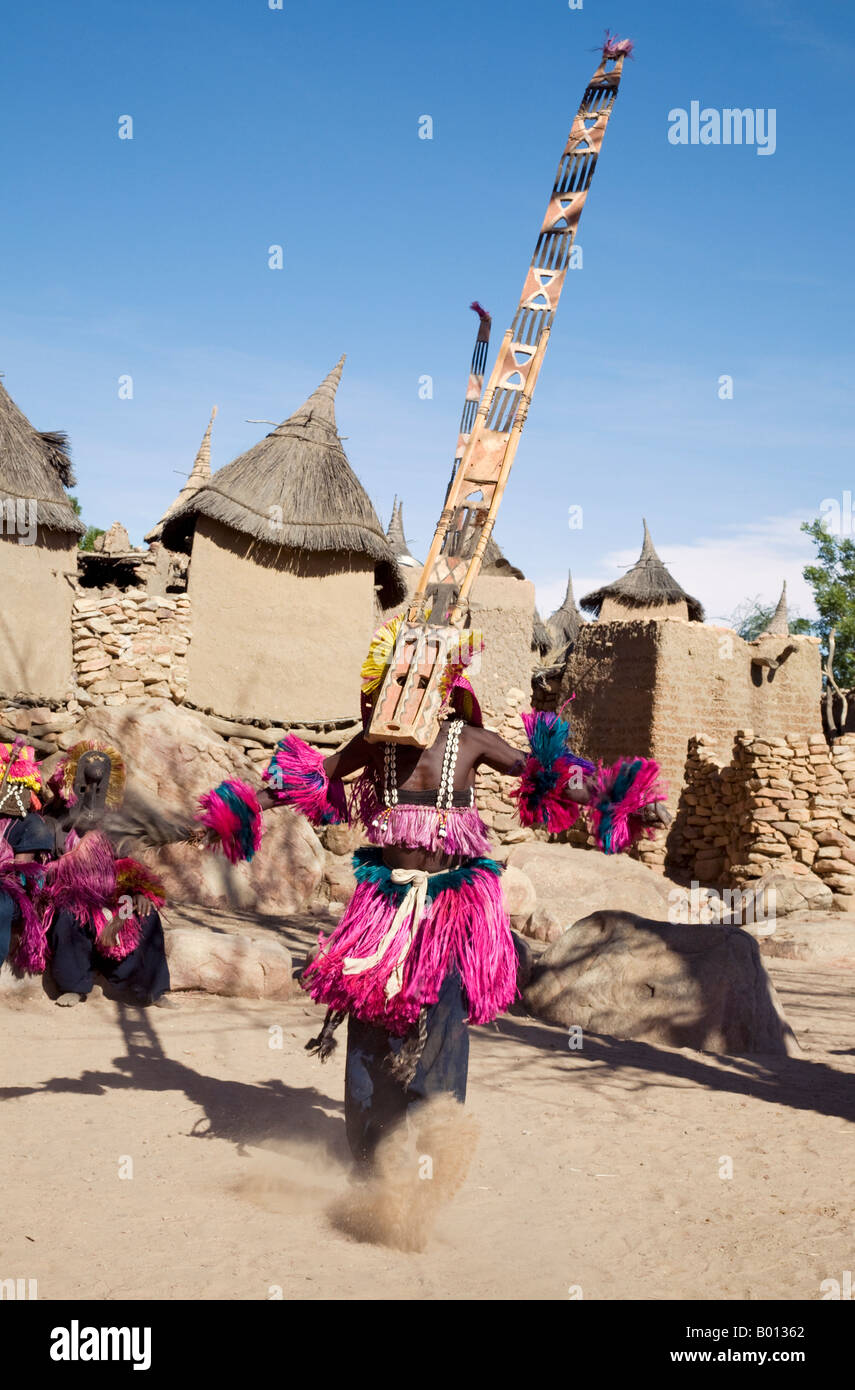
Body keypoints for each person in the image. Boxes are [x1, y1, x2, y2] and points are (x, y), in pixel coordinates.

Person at [195, 618, 670, 1167]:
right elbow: (309, 778)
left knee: (441, 1016)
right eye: (399, 682)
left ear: (442, 687)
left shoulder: (469, 741)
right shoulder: (375, 745)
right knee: (372, 1017)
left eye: (420, 682)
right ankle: (371, 1157)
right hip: (384, 908)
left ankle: (433, 1148)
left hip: (450, 910)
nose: (406, 692)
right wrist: (239, 808)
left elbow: (549, 775)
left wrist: (618, 796)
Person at [30, 741, 174, 1008]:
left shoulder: (115, 826)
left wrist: (139, 893)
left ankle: (149, 988)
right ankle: (74, 986)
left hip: (112, 896)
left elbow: (128, 865)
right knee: (67, 914)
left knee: (145, 912)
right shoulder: (52, 823)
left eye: (99, 787)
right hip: (68, 894)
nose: (91, 792)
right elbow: (41, 868)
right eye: (83, 787)